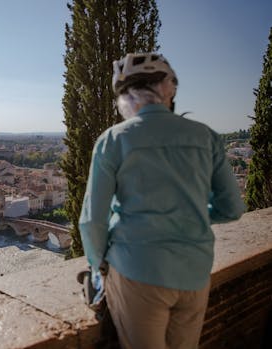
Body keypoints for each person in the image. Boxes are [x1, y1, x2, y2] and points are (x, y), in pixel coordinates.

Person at [78, 52, 245, 349]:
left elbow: (93, 220)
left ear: (126, 99)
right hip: (194, 271)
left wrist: (97, 267)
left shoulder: (113, 140)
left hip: (138, 270)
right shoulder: (206, 137)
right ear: (170, 92)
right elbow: (232, 208)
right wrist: (190, 213)